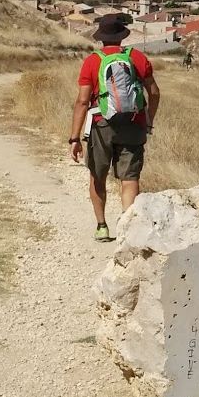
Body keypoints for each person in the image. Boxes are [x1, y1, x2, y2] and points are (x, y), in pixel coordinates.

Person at [69, 14, 160, 242]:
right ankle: (127, 228)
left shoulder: (92, 61)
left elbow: (82, 101)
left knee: (97, 176)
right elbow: (155, 92)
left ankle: (102, 227)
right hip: (133, 124)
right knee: (129, 178)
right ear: (122, 36)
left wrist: (74, 138)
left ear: (101, 38)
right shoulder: (137, 58)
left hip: (101, 125)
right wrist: (148, 120)